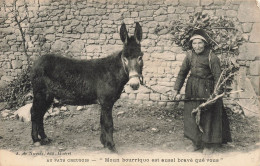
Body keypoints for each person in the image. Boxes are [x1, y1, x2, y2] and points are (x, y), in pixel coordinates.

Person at [172, 29, 232, 154]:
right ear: (191, 44)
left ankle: (209, 144)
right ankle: (196, 142)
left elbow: (218, 77)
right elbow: (182, 73)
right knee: (192, 114)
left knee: (208, 116)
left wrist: (215, 94)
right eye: (194, 43)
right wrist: (176, 89)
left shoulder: (212, 57)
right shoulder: (189, 55)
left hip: (207, 89)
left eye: (200, 43)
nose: (197, 46)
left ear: (205, 43)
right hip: (192, 88)